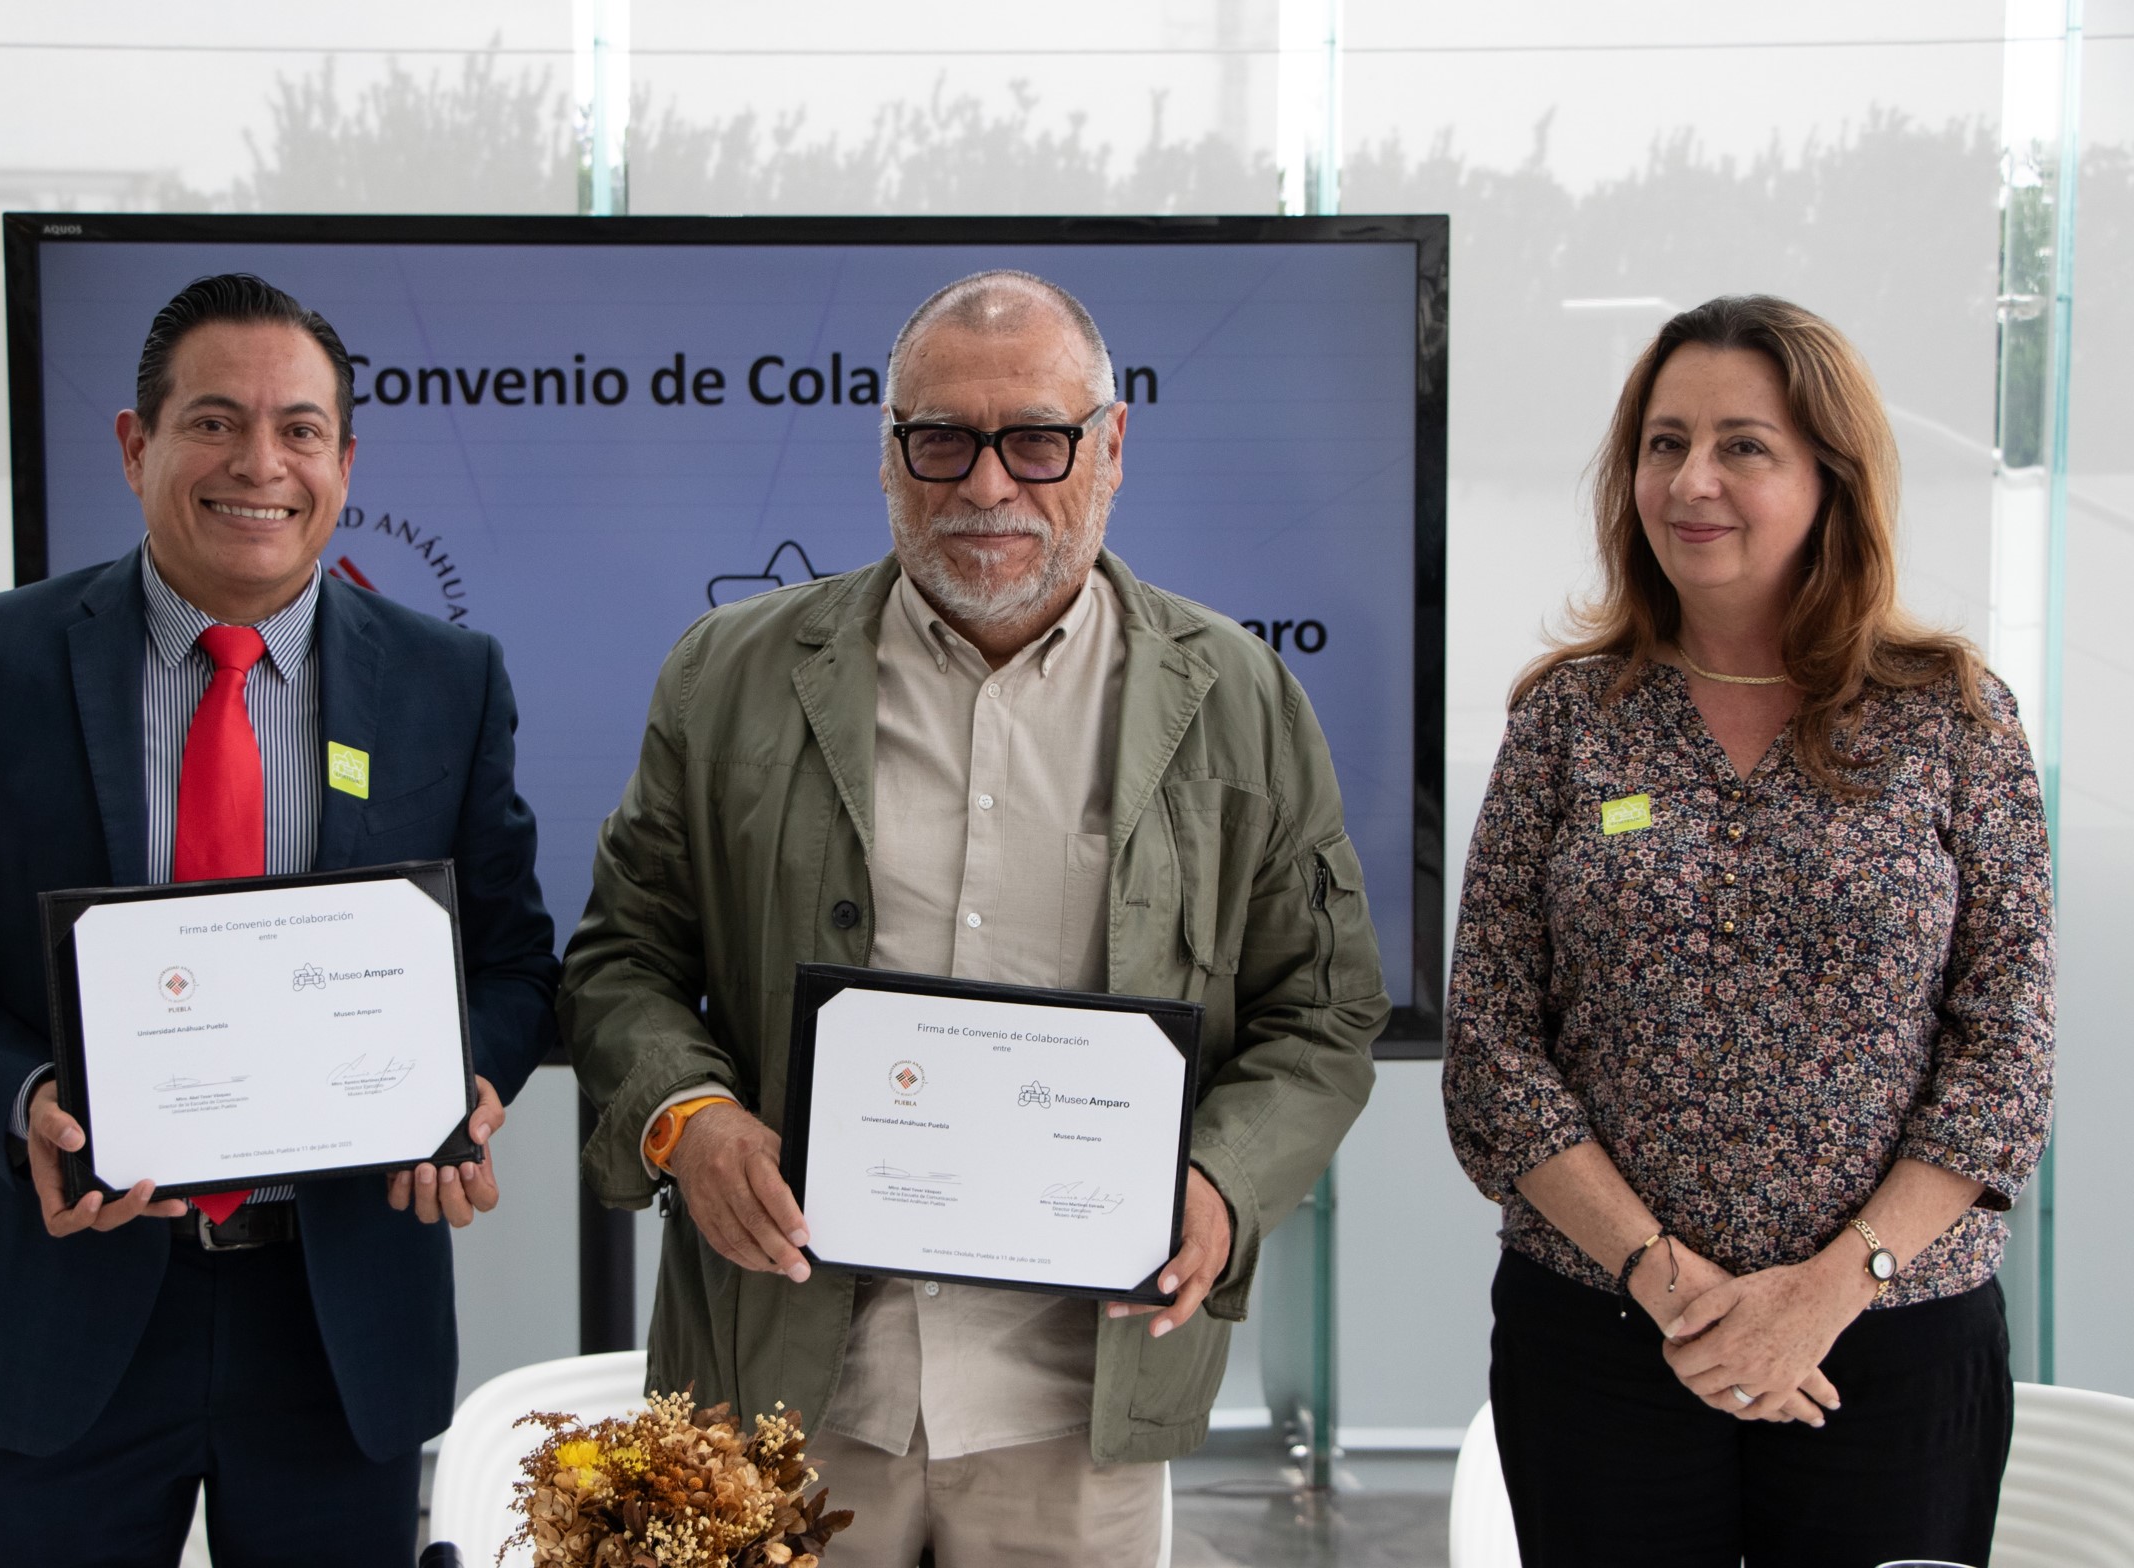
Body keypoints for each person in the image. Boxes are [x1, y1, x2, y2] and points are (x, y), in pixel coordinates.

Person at [561, 269, 1388, 1566]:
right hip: (781, 1384)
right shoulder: (728, 677)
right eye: (939, 439)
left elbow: (1322, 1010)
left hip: (1076, 1404)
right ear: (886, 456)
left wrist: (1224, 1181)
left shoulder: (1237, 697)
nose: (986, 485)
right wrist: (688, 1118)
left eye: (1038, 440)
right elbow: (624, 959)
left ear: (1111, 449)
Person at [0, 274, 559, 1566]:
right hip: (63, 1303)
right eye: (214, 421)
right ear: (136, 443)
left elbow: (512, 960)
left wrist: (464, 1086)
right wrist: (19, 1093)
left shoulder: (447, 680)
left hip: (337, 1322)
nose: (259, 463)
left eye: (300, 429)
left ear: (344, 459)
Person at [1442, 294, 2054, 1567]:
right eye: (1664, 443)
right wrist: (1671, 1282)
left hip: (1887, 1344)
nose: (1692, 480)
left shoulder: (1954, 719)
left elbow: (2006, 1060)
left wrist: (1822, 1295)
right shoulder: (1566, 719)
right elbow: (1494, 1048)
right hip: (1604, 1333)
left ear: (1832, 474)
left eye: (1743, 445)